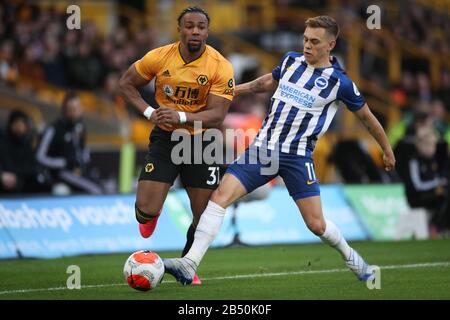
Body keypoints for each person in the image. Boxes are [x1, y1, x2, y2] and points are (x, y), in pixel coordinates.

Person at [163, 15, 396, 285]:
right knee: (220, 197)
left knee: (316, 225)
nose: (307, 45)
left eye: (315, 42)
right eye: (305, 39)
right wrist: (228, 92)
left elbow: (367, 118)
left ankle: (354, 259)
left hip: (297, 158)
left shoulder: (340, 83)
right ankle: (189, 264)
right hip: (262, 150)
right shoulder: (290, 61)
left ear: (331, 45)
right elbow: (263, 84)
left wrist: (387, 150)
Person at [118, 7, 235, 285]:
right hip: (166, 136)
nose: (195, 31)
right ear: (180, 29)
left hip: (202, 140)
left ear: (207, 31)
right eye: (190, 26)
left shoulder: (220, 65)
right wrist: (150, 113)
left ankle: (187, 265)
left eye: (201, 27)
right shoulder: (159, 56)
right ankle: (151, 214)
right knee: (145, 208)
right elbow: (126, 84)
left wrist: (181, 116)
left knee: (203, 215)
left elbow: (218, 115)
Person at [36, 91, 103, 195]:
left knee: (101, 185)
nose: (76, 112)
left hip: (80, 170)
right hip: (62, 172)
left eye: (78, 108)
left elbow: (83, 149)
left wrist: (85, 163)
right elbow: (40, 156)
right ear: (65, 110)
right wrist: (63, 162)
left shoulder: (80, 127)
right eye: (72, 109)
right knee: (95, 190)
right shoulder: (54, 130)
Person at [395, 125, 450, 236]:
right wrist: (437, 183)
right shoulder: (414, 161)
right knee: (444, 194)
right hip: (416, 197)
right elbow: (417, 185)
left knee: (445, 193)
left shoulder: (433, 161)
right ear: (419, 145)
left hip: (430, 194)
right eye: (428, 145)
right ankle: (436, 226)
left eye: (433, 146)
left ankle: (441, 226)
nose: (431, 149)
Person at [0, 110, 50, 194]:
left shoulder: (29, 146)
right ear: (10, 125)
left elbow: (34, 168)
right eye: (16, 124)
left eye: (22, 124)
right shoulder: (3, 144)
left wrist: (18, 176)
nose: (19, 127)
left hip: (24, 182)